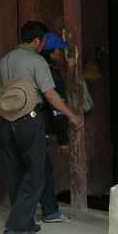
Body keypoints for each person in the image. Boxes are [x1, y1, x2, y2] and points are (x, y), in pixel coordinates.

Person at [0, 20, 82, 234]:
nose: (43, 45)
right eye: (43, 41)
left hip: (6, 121)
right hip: (29, 120)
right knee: (36, 172)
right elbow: (51, 95)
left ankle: (25, 220)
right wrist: (71, 115)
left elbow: (0, 92)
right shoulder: (36, 61)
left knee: (14, 171)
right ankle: (17, 225)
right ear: (36, 41)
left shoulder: (4, 60)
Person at [38, 32, 71, 223]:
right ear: (53, 52)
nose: (62, 54)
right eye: (60, 50)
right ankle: (50, 212)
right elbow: (57, 109)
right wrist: (63, 139)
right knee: (43, 170)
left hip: (30, 127)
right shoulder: (52, 74)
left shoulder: (38, 69)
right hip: (41, 129)